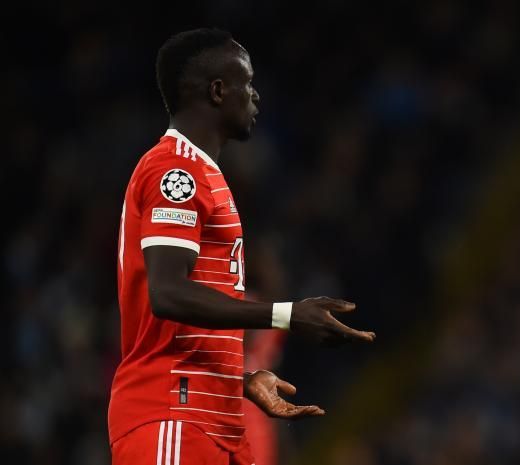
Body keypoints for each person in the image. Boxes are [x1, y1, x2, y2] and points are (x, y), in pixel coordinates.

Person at [109, 28, 375, 465]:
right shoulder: (174, 171)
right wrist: (287, 314)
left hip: (217, 420)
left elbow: (189, 322)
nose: (256, 97)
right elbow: (167, 293)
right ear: (217, 91)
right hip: (173, 418)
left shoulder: (206, 175)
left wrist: (238, 379)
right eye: (247, 84)